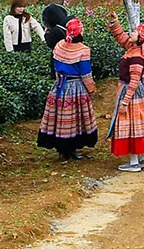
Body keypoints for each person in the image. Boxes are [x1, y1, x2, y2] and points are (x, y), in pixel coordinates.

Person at [36, 19, 98, 161]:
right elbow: (86, 74)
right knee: (74, 118)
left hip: (60, 86)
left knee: (60, 117)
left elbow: (56, 68)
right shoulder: (83, 50)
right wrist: (91, 89)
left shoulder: (59, 46)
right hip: (76, 87)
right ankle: (71, 149)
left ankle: (62, 149)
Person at [106, 18, 144, 171]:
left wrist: (125, 102)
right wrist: (115, 23)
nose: (131, 32)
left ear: (140, 38)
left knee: (131, 126)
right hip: (141, 94)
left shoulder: (136, 56)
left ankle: (133, 162)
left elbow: (134, 81)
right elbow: (122, 37)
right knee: (141, 125)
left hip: (132, 95)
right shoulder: (135, 49)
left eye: (135, 31)